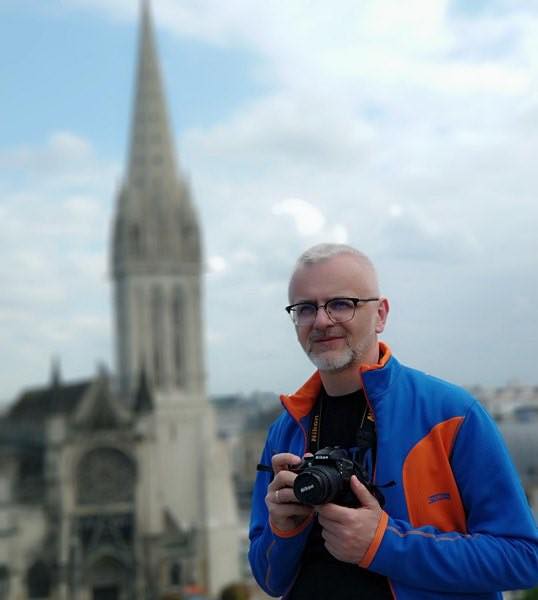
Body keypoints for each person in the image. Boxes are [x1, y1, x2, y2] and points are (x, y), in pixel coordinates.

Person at [248, 243, 538, 599]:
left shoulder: (450, 414)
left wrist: (384, 543)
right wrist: (283, 530)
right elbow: (269, 579)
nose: (322, 321)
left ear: (381, 315)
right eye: (306, 308)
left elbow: (523, 557)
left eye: (341, 304)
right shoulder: (286, 429)